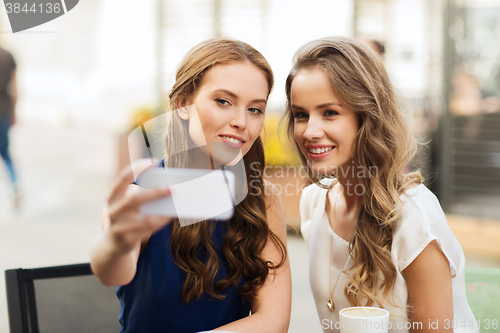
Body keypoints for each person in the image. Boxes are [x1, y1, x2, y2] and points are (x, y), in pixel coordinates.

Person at [90, 38, 291, 333]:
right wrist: (116, 243)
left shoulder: (262, 200)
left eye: (255, 109)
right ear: (183, 104)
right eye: (223, 101)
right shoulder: (146, 191)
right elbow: (111, 270)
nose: (240, 121)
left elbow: (273, 321)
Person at [282, 37, 478, 332]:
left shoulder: (414, 219)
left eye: (330, 113)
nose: (310, 131)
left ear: (367, 117)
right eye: (300, 115)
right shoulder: (312, 203)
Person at [0, 46, 19, 207]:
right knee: (6, 154)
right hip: (3, 112)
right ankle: (15, 186)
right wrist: (13, 113)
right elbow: (15, 89)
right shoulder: (7, 56)